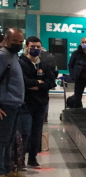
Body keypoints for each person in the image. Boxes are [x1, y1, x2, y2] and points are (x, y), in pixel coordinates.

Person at [19, 36, 55, 169]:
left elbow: (51, 82)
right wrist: (38, 82)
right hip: (26, 104)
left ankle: (32, 159)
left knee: (36, 133)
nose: (35, 49)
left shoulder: (44, 64)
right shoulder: (21, 63)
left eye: (38, 47)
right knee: (25, 132)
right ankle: (20, 160)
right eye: (32, 47)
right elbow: (23, 82)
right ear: (27, 47)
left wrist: (37, 86)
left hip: (41, 104)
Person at [0, 28, 26, 177]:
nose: (18, 44)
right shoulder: (2, 56)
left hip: (15, 104)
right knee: (2, 140)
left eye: (21, 41)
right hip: (5, 104)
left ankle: (7, 169)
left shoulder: (13, 56)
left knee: (9, 139)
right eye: (15, 41)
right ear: (6, 40)